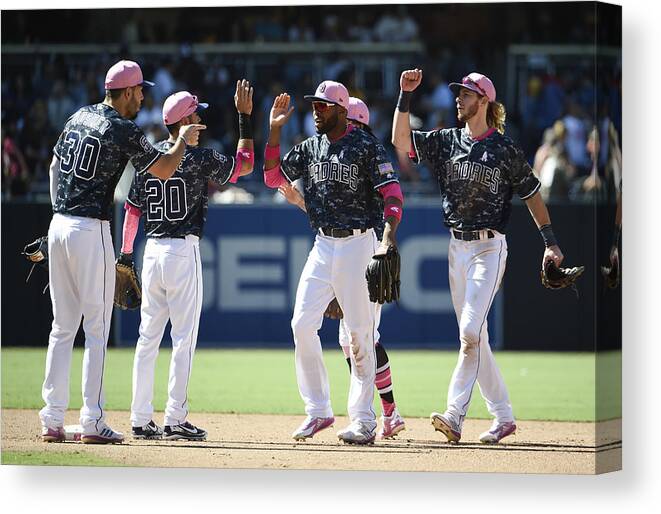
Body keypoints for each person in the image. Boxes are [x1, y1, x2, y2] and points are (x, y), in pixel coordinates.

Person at [392, 69, 566, 444]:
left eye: (467, 94)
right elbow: (400, 138)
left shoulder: (504, 148)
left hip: (489, 247)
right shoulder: (447, 140)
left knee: (469, 332)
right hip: (457, 248)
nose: (459, 98)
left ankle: (454, 415)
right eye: (459, 93)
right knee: (477, 337)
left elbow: (532, 193)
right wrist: (405, 96)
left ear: (485, 100)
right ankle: (503, 416)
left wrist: (550, 242)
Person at [40, 60, 205, 444]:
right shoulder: (121, 128)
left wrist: (57, 213)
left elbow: (52, 167)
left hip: (58, 224)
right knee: (96, 329)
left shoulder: (78, 116)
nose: (143, 96)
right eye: (139, 90)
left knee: (62, 327)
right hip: (90, 228)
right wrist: (181, 140)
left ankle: (50, 418)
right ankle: (93, 419)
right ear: (127, 92)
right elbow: (164, 169)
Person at [263, 81, 404, 445]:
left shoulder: (366, 146)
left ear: (342, 109)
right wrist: (275, 131)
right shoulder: (310, 147)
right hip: (323, 244)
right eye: (314, 105)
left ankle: (363, 420)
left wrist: (387, 240)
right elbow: (271, 176)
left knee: (359, 337)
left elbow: (392, 195)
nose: (316, 111)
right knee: (300, 324)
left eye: (323, 106)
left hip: (360, 243)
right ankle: (318, 410)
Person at [119, 82, 254, 440]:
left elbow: (132, 211)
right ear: (185, 122)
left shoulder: (148, 157)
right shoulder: (199, 158)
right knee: (183, 338)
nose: (201, 119)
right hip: (181, 252)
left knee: (147, 338)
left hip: (151, 253)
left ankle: (138, 417)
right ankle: (175, 418)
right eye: (196, 113)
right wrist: (244, 119)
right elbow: (244, 166)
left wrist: (126, 254)